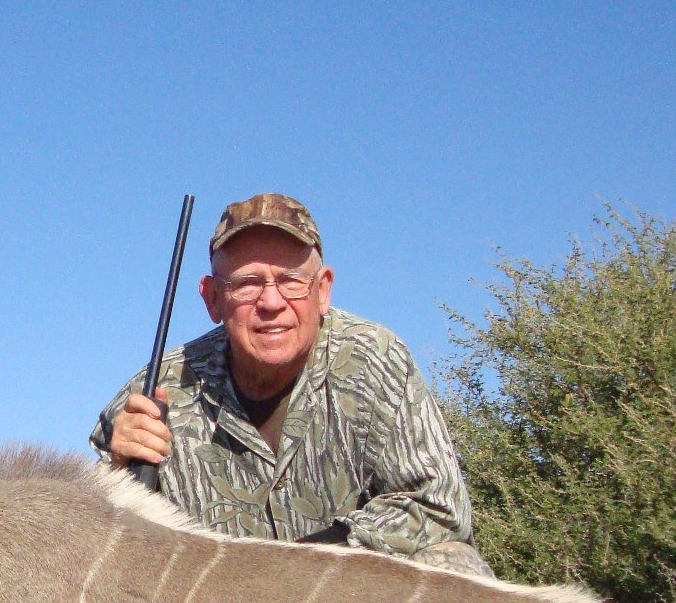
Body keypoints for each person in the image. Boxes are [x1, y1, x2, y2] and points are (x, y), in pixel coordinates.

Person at [91, 192, 490, 575]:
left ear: (323, 290)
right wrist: (116, 469)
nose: (271, 302)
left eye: (291, 281)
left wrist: (301, 568)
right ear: (212, 298)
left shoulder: (376, 361)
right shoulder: (155, 390)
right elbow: (101, 546)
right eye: (247, 282)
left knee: (452, 561)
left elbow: (438, 508)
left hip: (351, 600)